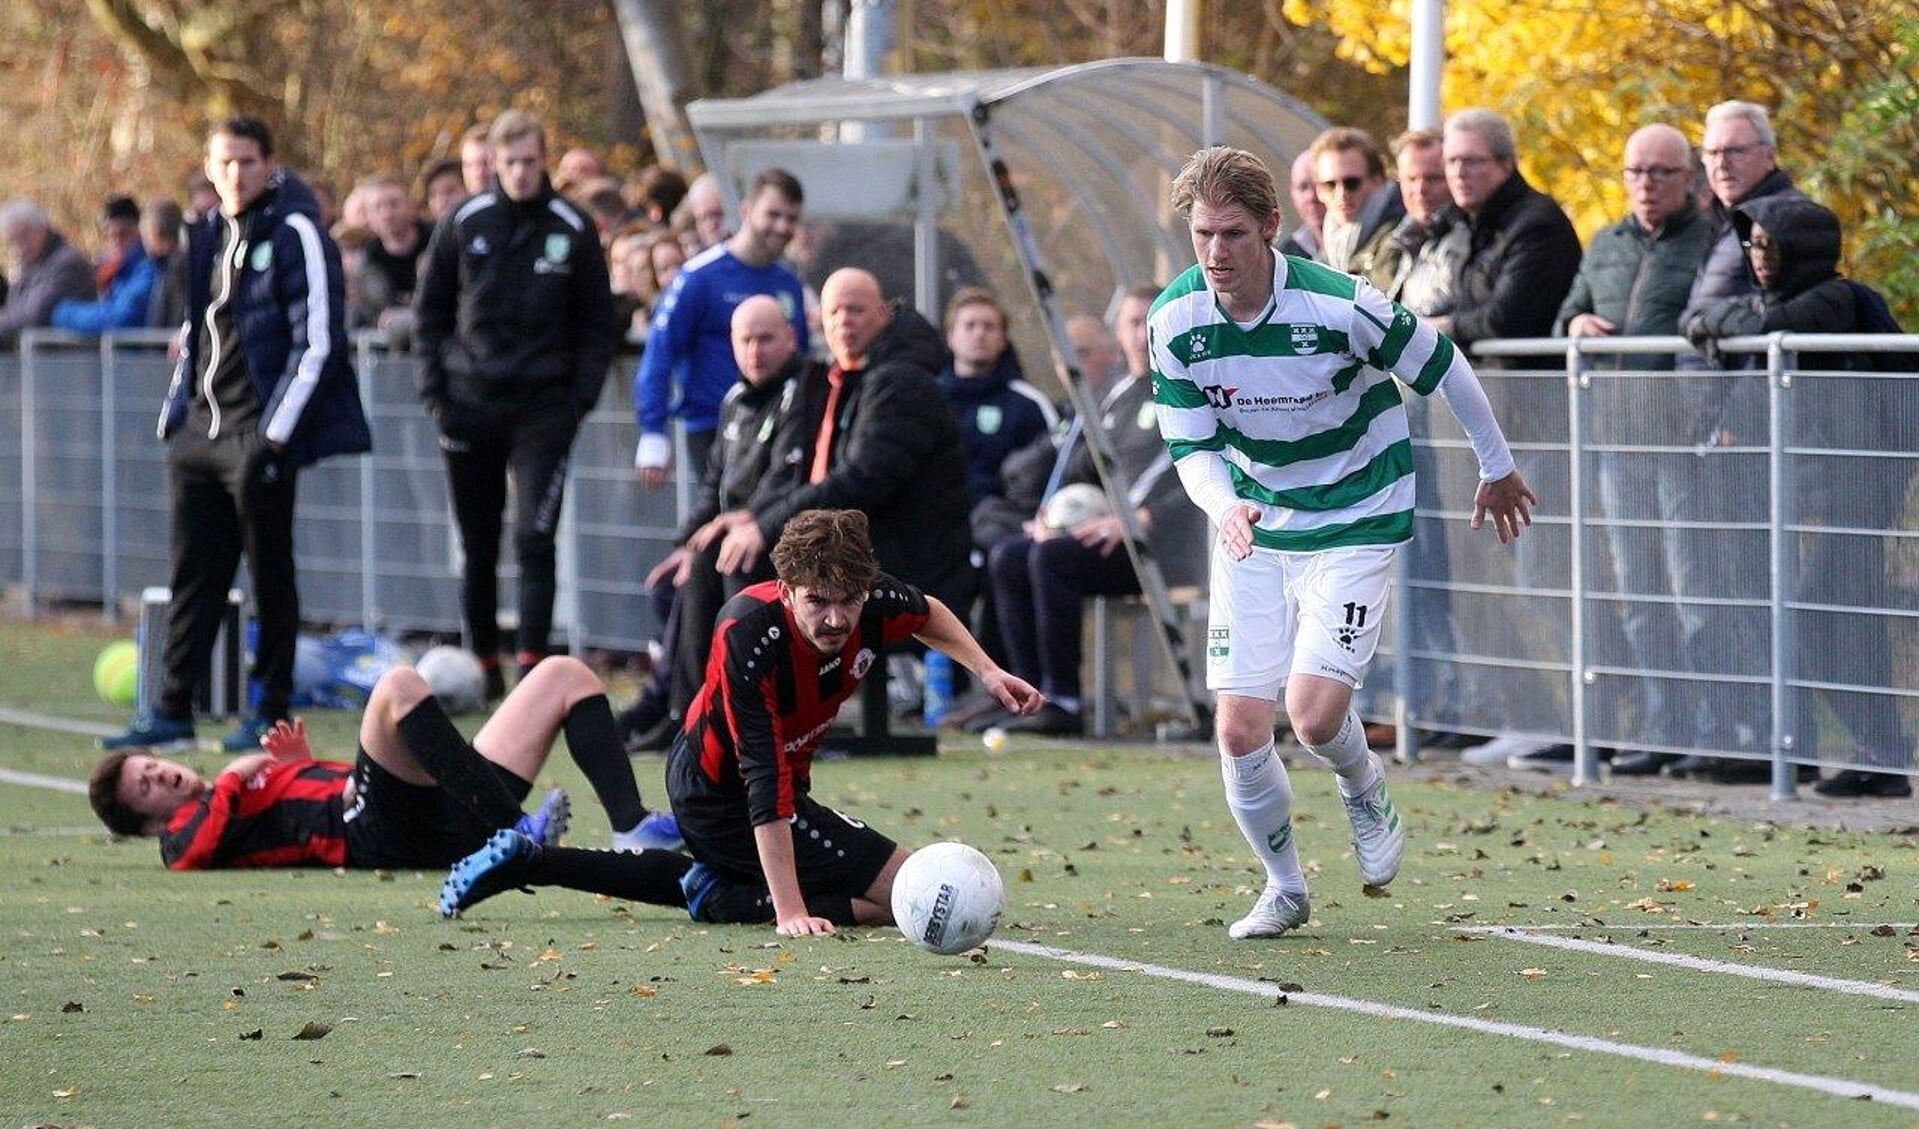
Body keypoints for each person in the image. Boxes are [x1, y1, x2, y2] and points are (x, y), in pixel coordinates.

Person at [1149, 146, 1536, 939]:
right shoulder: (1175, 322)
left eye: (1231, 234)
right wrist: (1223, 505)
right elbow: (1189, 446)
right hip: (1254, 522)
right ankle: (1283, 886)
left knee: (1314, 715)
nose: (1215, 253)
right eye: (1201, 236)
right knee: (1236, 727)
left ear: (1269, 227)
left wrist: (1495, 466)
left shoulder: (1338, 304)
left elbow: (1442, 364)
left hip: (1357, 514)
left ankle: (1363, 786)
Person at [439, 509, 1044, 932]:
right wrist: (785, 911)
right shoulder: (748, 635)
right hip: (717, 792)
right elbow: (764, 781)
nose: (836, 619)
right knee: (912, 897)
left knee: (896, 895)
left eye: (849, 602)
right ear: (786, 589)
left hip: (771, 788)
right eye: (817, 603)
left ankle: (553, 864)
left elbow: (927, 611)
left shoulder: (868, 596)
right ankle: (734, 898)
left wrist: (988, 672)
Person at [99, 116, 372, 753]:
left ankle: (270, 709)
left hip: (257, 435)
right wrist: (177, 411)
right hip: (202, 430)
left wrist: (273, 434)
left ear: (268, 164)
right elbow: (196, 329)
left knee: (270, 573)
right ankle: (171, 710)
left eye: (247, 162)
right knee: (194, 571)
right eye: (223, 162)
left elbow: (320, 338)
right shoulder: (204, 234)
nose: (234, 175)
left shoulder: (298, 229)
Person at [1680, 197, 1911, 799]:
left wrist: (1712, 324)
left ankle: (1883, 754)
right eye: (1752, 245)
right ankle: (1871, 751)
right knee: (1825, 613)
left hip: (1860, 485)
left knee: (1829, 612)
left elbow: (1752, 327)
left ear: (1799, 250)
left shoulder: (1831, 300)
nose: (1757, 258)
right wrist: (1711, 322)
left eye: (1768, 246)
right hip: (1825, 487)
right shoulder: (1786, 302)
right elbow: (1709, 317)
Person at [89, 657, 683, 869]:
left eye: (149, 766)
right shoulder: (180, 835)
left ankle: (630, 826)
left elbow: (319, 794)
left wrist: (300, 765)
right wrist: (232, 778)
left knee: (563, 675)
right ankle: (513, 830)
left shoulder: (239, 789)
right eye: (146, 787)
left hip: (432, 806)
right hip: (377, 835)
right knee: (398, 684)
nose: (160, 774)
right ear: (146, 822)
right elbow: (195, 851)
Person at [413, 109, 618, 696]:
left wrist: (578, 399)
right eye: (511, 163)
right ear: (494, 164)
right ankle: (483, 666)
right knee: (477, 541)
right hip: (469, 406)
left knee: (534, 536)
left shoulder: (572, 226)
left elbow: (597, 322)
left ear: (544, 159)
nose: (522, 173)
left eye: (531, 161)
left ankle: (533, 671)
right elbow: (429, 315)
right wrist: (436, 395)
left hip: (544, 411)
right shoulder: (463, 220)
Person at [1552, 124, 1711, 776]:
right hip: (1615, 443)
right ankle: (1660, 722)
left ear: (1687, 178)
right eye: (1635, 172)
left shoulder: (1708, 243)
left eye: (1660, 172)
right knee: (1638, 593)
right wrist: (1575, 324)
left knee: (1692, 590)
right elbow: (1567, 311)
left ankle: (1714, 725)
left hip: (1681, 444)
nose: (1645, 184)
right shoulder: (1605, 244)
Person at [1661, 100, 1808, 782]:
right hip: (1709, 435)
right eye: (1712, 153)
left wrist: (1738, 418)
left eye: (1735, 151)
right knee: (1720, 592)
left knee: (1754, 592)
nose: (1720, 163)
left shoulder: (1776, 217)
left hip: (1747, 438)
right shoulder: (1728, 223)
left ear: (1767, 155)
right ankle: (1740, 736)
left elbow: (1773, 324)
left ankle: (1770, 743)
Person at [1432, 108, 1583, 772]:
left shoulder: (1538, 224)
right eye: (1451, 163)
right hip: (1493, 435)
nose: (1458, 174)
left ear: (1503, 163)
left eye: (1471, 162)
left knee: (1553, 584)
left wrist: (1441, 323)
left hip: (1543, 432)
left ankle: (1585, 728)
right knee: (1502, 590)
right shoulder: (1464, 228)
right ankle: (1532, 718)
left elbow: (1507, 316)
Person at [985, 285, 1204, 737]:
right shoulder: (1115, 394)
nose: (1142, 336)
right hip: (1105, 536)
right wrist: (1049, 517)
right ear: (1118, 333)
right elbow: (1085, 465)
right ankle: (1029, 697)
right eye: (1131, 324)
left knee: (1052, 560)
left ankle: (1065, 700)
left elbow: (1201, 472)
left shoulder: (1189, 389)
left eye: (1149, 322)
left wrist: (1142, 519)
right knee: (1010, 555)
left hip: (1164, 547)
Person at [620, 295, 807, 751]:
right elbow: (713, 485)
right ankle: (683, 711)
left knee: (718, 563)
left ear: (790, 337)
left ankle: (709, 714)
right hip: (732, 534)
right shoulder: (734, 399)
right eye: (746, 340)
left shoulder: (803, 391)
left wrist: (735, 523)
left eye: (766, 338)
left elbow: (790, 476)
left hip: (780, 536)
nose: (756, 350)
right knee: (676, 575)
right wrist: (685, 541)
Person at [737, 268, 975, 615]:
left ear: (883, 313)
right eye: (835, 312)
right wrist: (753, 517)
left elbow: (862, 480)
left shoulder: (901, 381)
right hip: (857, 551)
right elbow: (800, 472)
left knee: (745, 564)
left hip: (905, 565)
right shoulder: (844, 378)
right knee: (717, 558)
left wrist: (768, 526)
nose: (844, 321)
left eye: (856, 310)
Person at [632, 168, 807, 490]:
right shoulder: (699, 277)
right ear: (746, 211)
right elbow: (660, 353)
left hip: (776, 429)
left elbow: (800, 359)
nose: (782, 227)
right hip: (713, 428)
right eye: (773, 215)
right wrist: (653, 431)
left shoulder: (788, 284)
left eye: (791, 218)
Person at [937, 286, 1058, 508]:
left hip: (1000, 525)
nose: (979, 333)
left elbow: (1054, 468)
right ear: (951, 337)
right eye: (970, 326)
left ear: (1003, 340)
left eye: (989, 326)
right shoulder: (926, 398)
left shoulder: (1028, 404)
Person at [52, 198, 184, 334]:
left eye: (123, 234)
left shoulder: (149, 268)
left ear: (139, 232)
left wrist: (64, 313)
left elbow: (120, 318)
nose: (116, 241)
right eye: (109, 235)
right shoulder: (106, 269)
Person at [1311, 127, 1404, 292]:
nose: (1342, 194)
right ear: (1319, 191)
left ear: (1378, 180)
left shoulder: (1401, 234)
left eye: (1351, 183)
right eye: (1330, 185)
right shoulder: (1330, 247)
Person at [0, 199, 96, 345]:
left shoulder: (67, 263)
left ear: (42, 228)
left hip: (66, 360)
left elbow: (35, 313)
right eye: (13, 241)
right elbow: (14, 307)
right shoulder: (31, 264)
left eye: (24, 236)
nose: (19, 247)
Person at [351, 173, 431, 337]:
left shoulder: (438, 243)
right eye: (378, 207)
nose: (387, 213)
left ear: (410, 206)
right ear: (369, 216)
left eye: (394, 204)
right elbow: (374, 316)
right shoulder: (366, 263)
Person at [1275, 151, 1324, 262]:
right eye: (1303, 187)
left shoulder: (1365, 246)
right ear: (1292, 193)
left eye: (1320, 185)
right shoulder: (1287, 258)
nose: (1312, 197)